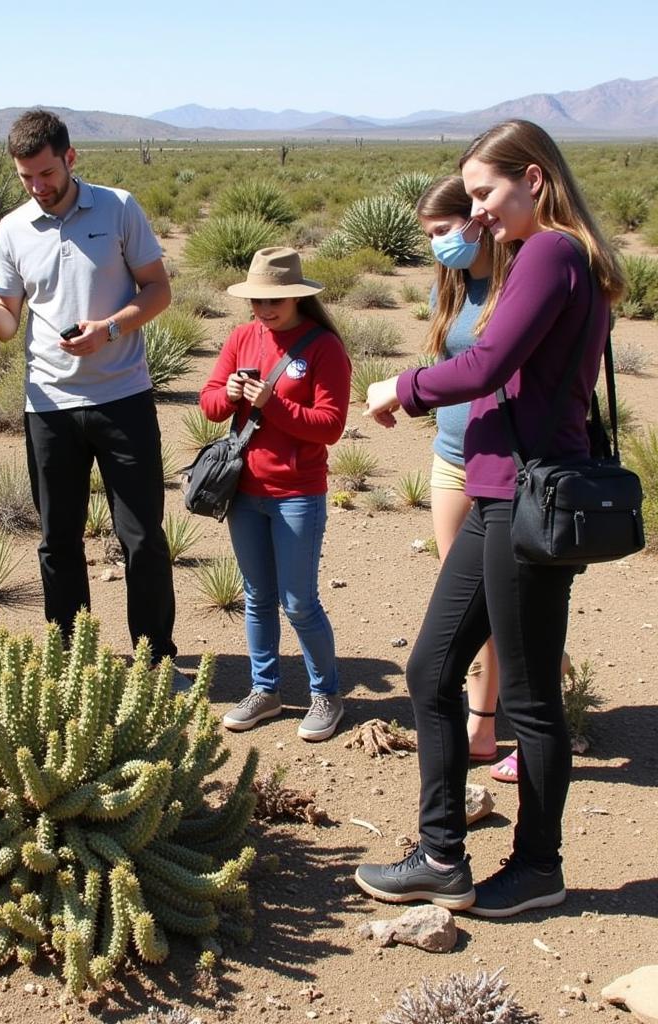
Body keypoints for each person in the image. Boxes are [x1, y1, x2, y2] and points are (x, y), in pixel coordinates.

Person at [356, 120, 624, 917]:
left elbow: (488, 363)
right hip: (498, 496)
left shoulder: (550, 252)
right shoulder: (544, 255)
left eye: (485, 193)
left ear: (533, 179)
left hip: (525, 501)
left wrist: (399, 391)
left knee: (533, 699)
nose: (475, 213)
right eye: (466, 197)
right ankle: (442, 855)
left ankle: (538, 866)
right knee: (431, 669)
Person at [0, 109, 180, 669]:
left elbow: (158, 289)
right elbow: (8, 325)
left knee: (143, 536)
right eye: (26, 177)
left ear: (70, 159)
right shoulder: (12, 229)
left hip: (122, 396)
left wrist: (111, 328)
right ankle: (72, 661)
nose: (38, 187)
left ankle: (154, 659)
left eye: (46, 173)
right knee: (58, 541)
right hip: (49, 406)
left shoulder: (119, 207)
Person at [199, 247, 351, 741]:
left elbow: (329, 426)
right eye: (257, 301)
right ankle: (265, 690)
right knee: (257, 598)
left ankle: (326, 694)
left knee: (299, 601)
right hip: (244, 490)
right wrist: (234, 396)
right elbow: (210, 403)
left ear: (297, 298)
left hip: (296, 494)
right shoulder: (243, 337)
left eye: (274, 302)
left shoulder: (324, 347)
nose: (264, 311)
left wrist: (273, 402)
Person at [415, 176, 502, 767]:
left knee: (498, 598)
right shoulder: (446, 288)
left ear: (474, 221)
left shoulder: (516, 286)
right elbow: (447, 364)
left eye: (444, 232)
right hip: (450, 457)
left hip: (502, 464)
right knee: (464, 595)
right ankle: (515, 679)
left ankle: (484, 721)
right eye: (430, 237)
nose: (438, 246)